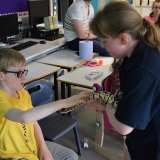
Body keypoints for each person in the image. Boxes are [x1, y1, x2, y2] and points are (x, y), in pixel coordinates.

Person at [85, 1, 160, 160]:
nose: (103, 46)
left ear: (123, 39)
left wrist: (105, 105)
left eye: (104, 41)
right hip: (141, 137)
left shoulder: (143, 69)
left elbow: (124, 127)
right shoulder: (134, 55)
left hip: (153, 146)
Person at [0, 48, 89, 160]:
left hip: (33, 146)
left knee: (71, 156)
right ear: (1, 75)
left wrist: (43, 148)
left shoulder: (23, 93)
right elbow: (23, 117)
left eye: (24, 71)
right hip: (15, 155)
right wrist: (64, 102)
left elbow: (33, 123)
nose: (24, 77)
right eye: (18, 73)